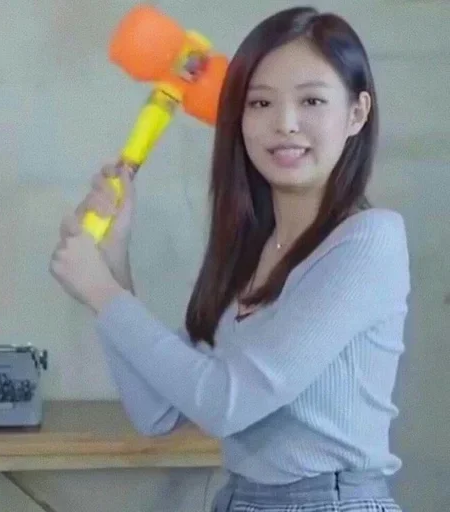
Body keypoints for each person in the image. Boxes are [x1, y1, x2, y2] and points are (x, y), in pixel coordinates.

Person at [49, 6, 410, 511]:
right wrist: (113, 264)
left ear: (356, 113)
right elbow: (157, 412)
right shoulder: (251, 253)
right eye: (260, 102)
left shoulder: (370, 240)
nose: (285, 124)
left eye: (311, 100)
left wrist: (102, 293)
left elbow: (226, 404)